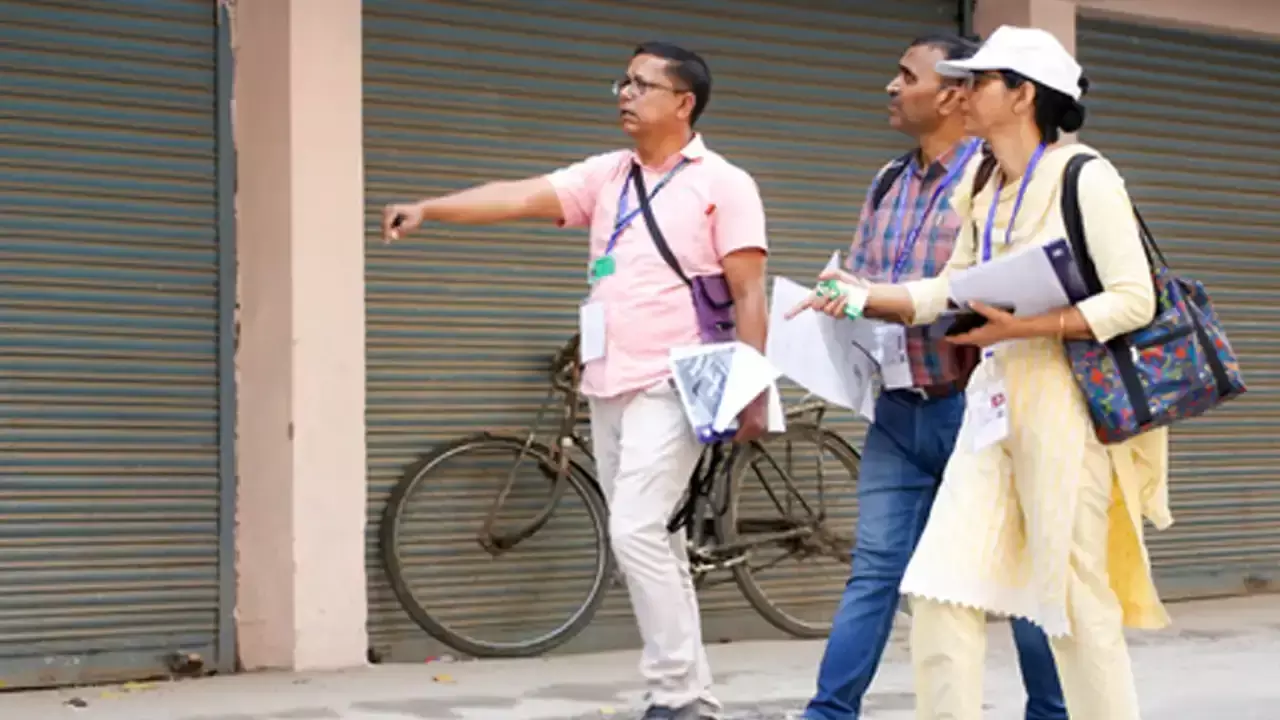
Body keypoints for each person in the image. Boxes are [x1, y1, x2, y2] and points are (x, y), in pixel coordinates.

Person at [381, 42, 770, 720]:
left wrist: (751, 388)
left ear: (683, 103)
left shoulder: (724, 184)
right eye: (624, 82)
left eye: (643, 85)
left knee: (635, 531)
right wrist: (431, 208)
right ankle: (688, 694)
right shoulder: (608, 175)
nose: (625, 94)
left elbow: (749, 292)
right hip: (608, 380)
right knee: (656, 539)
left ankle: (679, 694)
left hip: (677, 380)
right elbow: (520, 196)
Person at [793, 26, 1172, 720]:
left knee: (1070, 596)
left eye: (978, 82)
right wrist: (863, 296)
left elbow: (1133, 299)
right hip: (991, 403)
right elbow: (953, 286)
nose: (961, 93)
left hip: (1063, 404)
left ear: (1023, 96)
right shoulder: (984, 182)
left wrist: (1022, 327)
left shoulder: (1085, 175)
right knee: (938, 585)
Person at [798, 33, 1066, 720]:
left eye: (905, 75)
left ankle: (1052, 712)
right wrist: (843, 294)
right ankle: (828, 712)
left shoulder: (995, 179)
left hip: (974, 409)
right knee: (875, 570)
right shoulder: (888, 180)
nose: (891, 87)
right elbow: (864, 276)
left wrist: (882, 297)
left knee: (1016, 572)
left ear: (952, 94)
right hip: (897, 410)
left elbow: (994, 288)